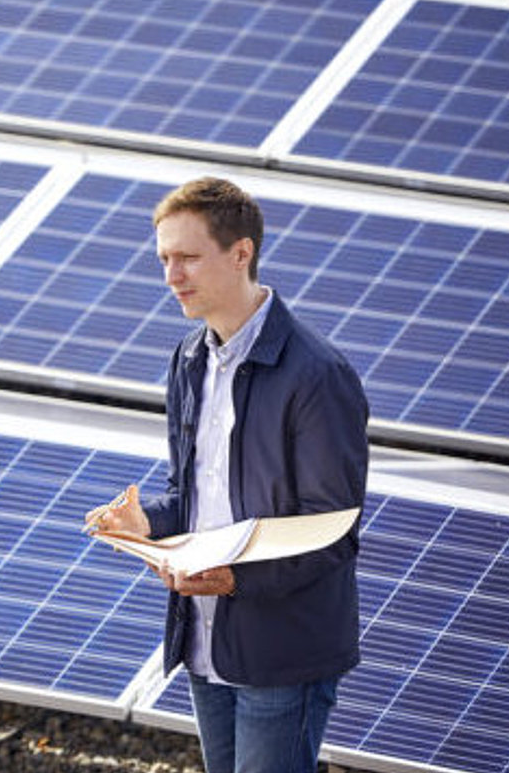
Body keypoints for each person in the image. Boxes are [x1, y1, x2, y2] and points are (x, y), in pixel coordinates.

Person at [86, 177, 368, 773]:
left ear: (242, 254)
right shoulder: (189, 359)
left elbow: (332, 531)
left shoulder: (316, 377)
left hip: (281, 652)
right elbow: (192, 496)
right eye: (164, 258)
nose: (171, 275)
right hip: (205, 643)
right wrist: (145, 521)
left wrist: (234, 581)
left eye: (187, 257)